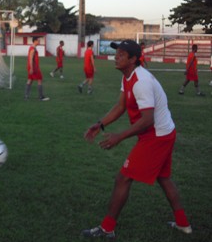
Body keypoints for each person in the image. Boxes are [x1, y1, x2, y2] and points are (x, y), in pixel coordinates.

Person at [82, 39, 192, 239]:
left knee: (123, 178)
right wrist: (101, 124)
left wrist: (119, 137)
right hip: (163, 132)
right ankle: (183, 223)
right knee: (164, 178)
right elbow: (121, 106)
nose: (117, 57)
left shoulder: (141, 81)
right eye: (117, 53)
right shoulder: (127, 77)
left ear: (133, 59)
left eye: (122, 54)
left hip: (157, 135)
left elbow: (148, 120)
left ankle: (107, 228)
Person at [24, 36, 50, 101]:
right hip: (34, 67)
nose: (39, 41)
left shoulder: (33, 48)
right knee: (39, 79)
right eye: (38, 40)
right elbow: (30, 59)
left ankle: (26, 96)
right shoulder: (33, 49)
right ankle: (41, 97)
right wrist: (31, 68)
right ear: (35, 41)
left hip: (32, 66)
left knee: (30, 80)